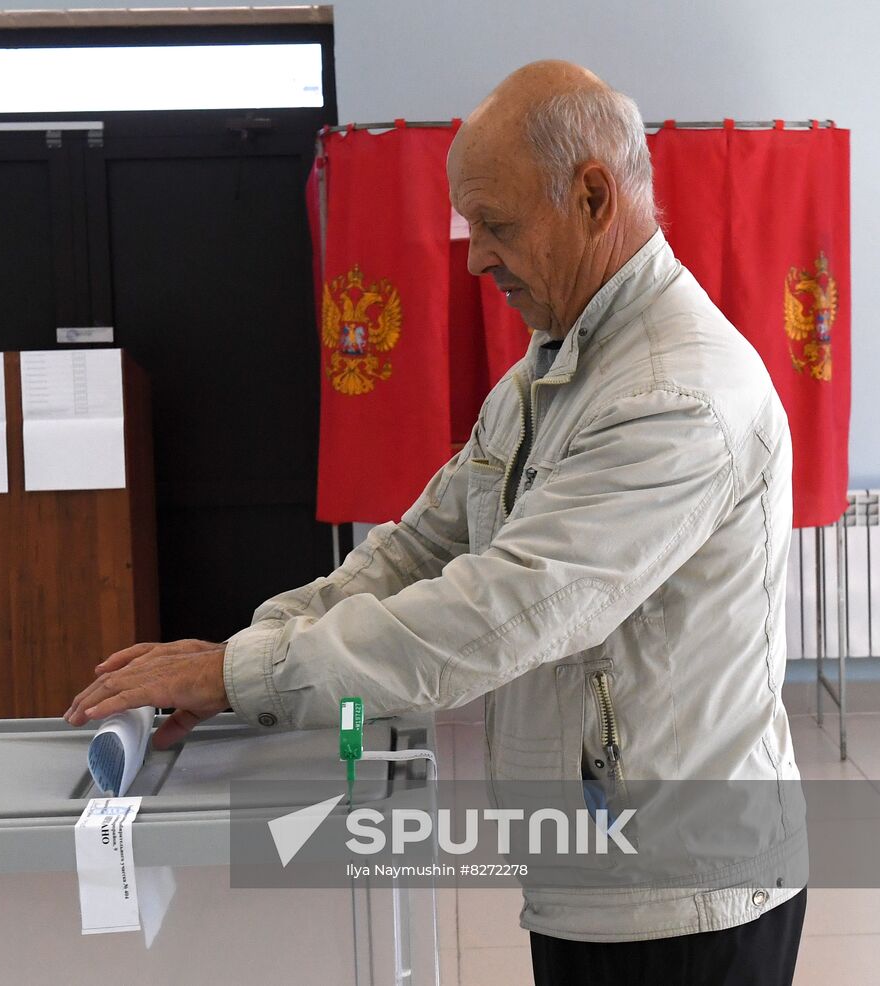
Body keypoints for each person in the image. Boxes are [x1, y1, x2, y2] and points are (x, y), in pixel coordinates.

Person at [65, 60, 806, 985]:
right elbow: (420, 547)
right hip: (598, 870)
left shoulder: (673, 396)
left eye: (497, 225)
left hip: (681, 896)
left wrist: (240, 674)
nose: (475, 259)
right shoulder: (551, 370)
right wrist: (250, 650)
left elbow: (500, 611)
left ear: (592, 197)